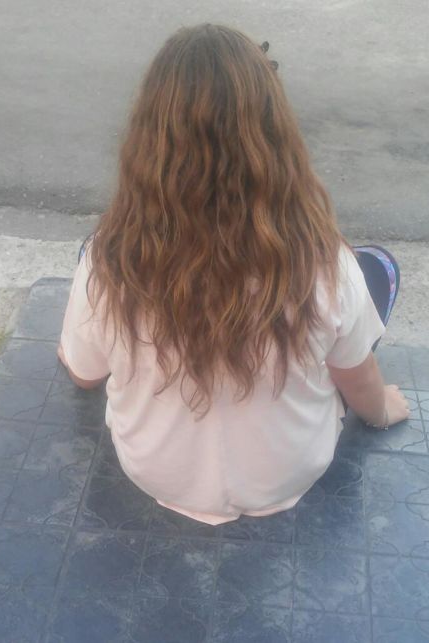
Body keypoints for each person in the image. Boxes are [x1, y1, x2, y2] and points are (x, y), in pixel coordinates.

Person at [58, 24, 410, 526]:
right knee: (374, 268)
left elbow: (84, 375)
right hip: (290, 472)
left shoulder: (108, 261)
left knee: (88, 258)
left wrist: (80, 341)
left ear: (147, 139)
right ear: (275, 134)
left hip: (156, 473)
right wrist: (383, 412)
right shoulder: (323, 261)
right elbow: (356, 377)